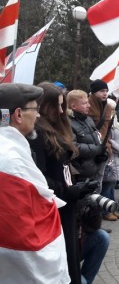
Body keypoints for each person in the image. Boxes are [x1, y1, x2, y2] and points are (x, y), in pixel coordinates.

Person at [0, 83, 71, 284]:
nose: (38, 116)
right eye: (35, 109)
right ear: (18, 115)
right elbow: (29, 222)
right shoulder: (11, 159)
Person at [27, 83, 92, 284]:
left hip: (67, 204)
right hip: (53, 207)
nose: (62, 111)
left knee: (73, 257)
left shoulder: (56, 129)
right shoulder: (36, 135)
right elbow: (39, 177)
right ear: (43, 105)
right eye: (57, 106)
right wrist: (69, 191)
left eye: (63, 105)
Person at [101, 99, 119, 221]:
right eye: (110, 108)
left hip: (118, 156)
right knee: (107, 186)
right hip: (112, 156)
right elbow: (108, 139)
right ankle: (106, 211)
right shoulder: (105, 122)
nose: (112, 111)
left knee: (111, 185)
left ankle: (112, 209)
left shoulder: (115, 121)